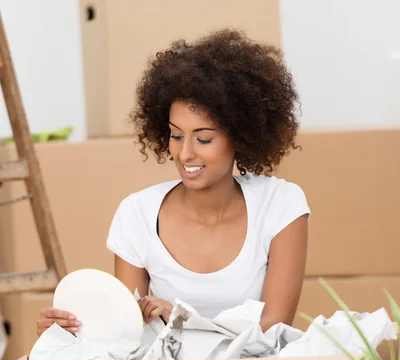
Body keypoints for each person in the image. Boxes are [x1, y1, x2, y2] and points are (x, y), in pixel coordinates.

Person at [37, 29, 309, 337]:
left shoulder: (281, 204)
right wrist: (68, 329)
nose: (185, 152)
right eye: (176, 135)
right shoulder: (137, 213)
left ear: (241, 136)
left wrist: (185, 321)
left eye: (203, 138)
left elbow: (275, 326)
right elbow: (127, 331)